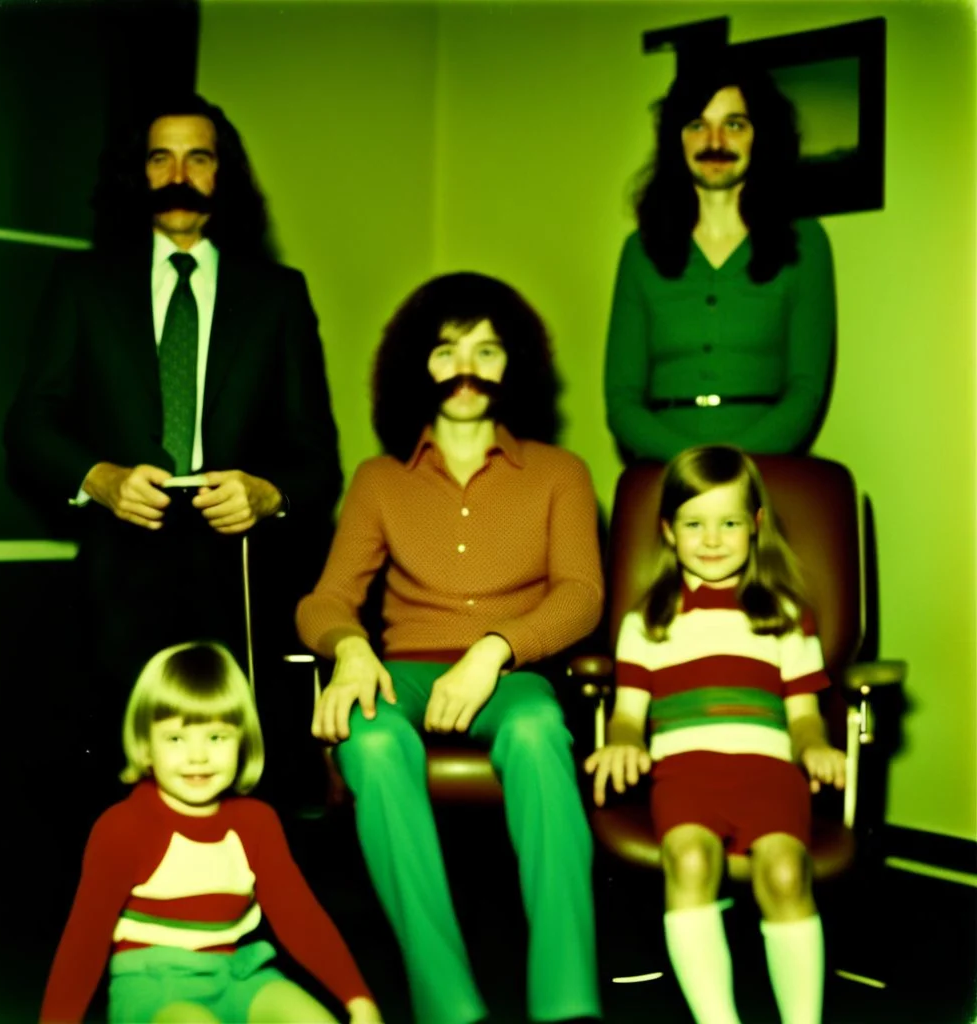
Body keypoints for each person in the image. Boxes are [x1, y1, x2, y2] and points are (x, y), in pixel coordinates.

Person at [296, 273, 604, 1024]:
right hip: (399, 669)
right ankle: (448, 1004)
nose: (467, 368)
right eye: (446, 351)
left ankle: (568, 1002)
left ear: (515, 365)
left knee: (536, 732)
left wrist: (494, 649)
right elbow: (326, 598)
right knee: (369, 746)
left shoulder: (562, 473)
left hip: (512, 674)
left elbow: (582, 594)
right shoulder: (377, 481)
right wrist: (352, 652)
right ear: (416, 366)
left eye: (488, 350)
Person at [4, 94, 341, 770]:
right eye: (161, 157)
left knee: (239, 772)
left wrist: (266, 494)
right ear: (140, 173)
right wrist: (99, 480)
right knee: (115, 772)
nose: (178, 172)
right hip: (116, 571)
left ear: (224, 174)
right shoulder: (82, 283)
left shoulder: (279, 294)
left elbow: (319, 462)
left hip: (240, 575)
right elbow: (29, 426)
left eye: (199, 156)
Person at [585, 445, 845, 1024]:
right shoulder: (647, 622)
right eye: (694, 523)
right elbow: (629, 713)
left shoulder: (782, 613)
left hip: (768, 774)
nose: (711, 538)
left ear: (755, 527)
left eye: (728, 523)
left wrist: (817, 748)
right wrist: (624, 739)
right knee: (690, 860)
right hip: (685, 774)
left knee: (784, 871)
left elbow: (803, 717)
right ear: (668, 532)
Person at [40, 641, 382, 1024]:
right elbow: (83, 943)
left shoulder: (256, 822)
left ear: (242, 740)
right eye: (175, 739)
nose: (198, 756)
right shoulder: (123, 827)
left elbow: (300, 917)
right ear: (145, 746)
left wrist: (358, 999)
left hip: (241, 975)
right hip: (154, 987)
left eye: (216, 737)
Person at [604, 58, 836, 462]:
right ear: (676, 138)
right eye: (697, 124)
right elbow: (622, 400)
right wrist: (690, 465)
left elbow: (806, 391)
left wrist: (734, 464)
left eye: (734, 124)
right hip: (667, 473)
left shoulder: (808, 243)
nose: (715, 141)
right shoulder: (638, 251)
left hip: (766, 469)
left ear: (759, 136)